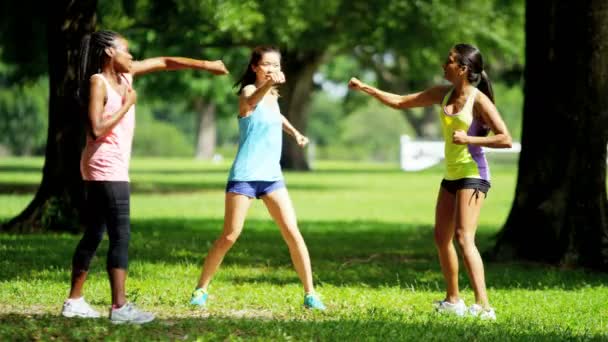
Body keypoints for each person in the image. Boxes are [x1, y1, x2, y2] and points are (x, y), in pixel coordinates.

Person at [60, 30, 229, 324]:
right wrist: (128, 105)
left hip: (109, 168)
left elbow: (165, 61)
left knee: (95, 232)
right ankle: (119, 308)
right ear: (110, 53)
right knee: (120, 236)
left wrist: (205, 64)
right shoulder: (98, 82)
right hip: (104, 167)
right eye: (127, 52)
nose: (132, 58)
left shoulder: (127, 76)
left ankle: (74, 301)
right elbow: (96, 129)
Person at [348, 43, 512, 320]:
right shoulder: (443, 93)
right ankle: (453, 300)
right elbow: (401, 102)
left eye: (448, 61)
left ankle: (484, 306)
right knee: (441, 237)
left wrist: (469, 138)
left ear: (463, 69)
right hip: (451, 174)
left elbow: (505, 138)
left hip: (474, 173)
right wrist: (367, 88)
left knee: (463, 237)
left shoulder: (479, 100)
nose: (443, 64)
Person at [190, 46, 326, 310]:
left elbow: (276, 115)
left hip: (272, 177)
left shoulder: (272, 96)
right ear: (255, 67)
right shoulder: (249, 91)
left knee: (293, 233)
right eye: (266, 65)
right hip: (245, 176)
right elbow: (251, 104)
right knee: (230, 235)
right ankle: (200, 289)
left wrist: (295, 133)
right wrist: (268, 86)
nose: (272, 69)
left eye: (276, 65)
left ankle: (310, 294)